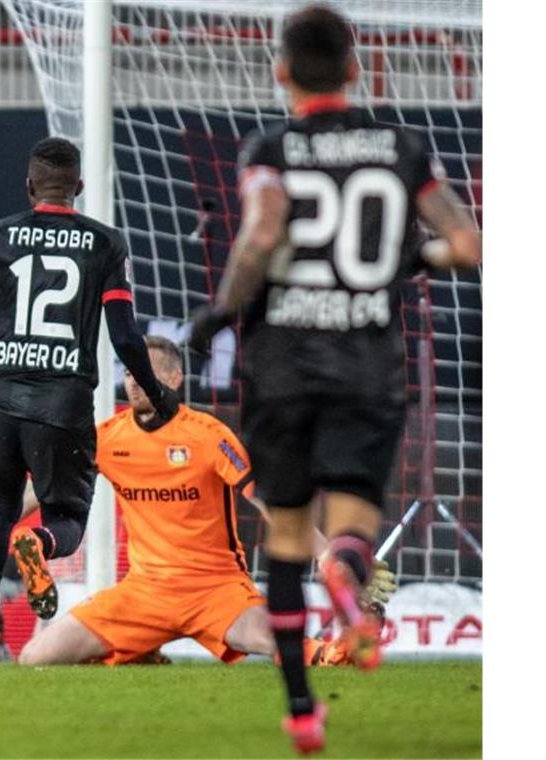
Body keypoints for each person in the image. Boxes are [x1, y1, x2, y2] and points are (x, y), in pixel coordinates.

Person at [188, 5, 482, 752]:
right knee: (351, 523)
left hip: (284, 360)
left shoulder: (270, 147)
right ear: (355, 69)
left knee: (287, 535)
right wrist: (408, 260)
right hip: (366, 362)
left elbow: (259, 233)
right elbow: (464, 244)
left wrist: (222, 312)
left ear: (281, 71)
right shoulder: (402, 147)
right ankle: (350, 577)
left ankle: (300, 710)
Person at [0, 337, 397, 668]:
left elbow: (270, 503)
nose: (134, 383)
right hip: (144, 591)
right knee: (35, 658)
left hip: (215, 588)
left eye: (146, 374)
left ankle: (335, 651)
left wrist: (328, 554)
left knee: (274, 640)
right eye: (128, 373)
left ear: (174, 379)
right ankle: (142, 653)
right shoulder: (107, 437)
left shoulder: (208, 437)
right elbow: (48, 488)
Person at [0, 136, 180, 667]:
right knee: (68, 515)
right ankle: (39, 544)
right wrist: (159, 396)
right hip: (62, 406)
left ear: (29, 185)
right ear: (78, 188)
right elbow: (127, 339)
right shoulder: (105, 244)